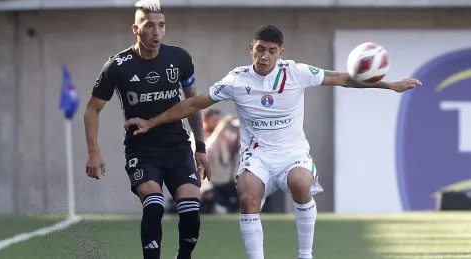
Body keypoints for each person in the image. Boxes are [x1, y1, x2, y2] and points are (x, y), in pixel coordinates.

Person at [123, 25, 422, 259]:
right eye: (260, 49)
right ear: (251, 49)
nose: (265, 56)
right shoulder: (236, 81)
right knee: (248, 195)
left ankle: (306, 255)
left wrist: (388, 84)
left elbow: (343, 78)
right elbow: (193, 104)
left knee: (301, 184)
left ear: (281, 52)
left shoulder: (297, 73)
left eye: (272, 51)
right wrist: (152, 121)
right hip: (258, 155)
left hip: (293, 153)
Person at [83, 0, 210, 259]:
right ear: (136, 29)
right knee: (154, 206)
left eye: (161, 26)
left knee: (190, 212)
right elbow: (92, 109)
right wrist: (94, 151)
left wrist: (200, 146)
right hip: (142, 150)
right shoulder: (118, 66)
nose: (157, 32)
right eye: (150, 26)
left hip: (177, 147)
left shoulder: (179, 58)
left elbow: (193, 104)